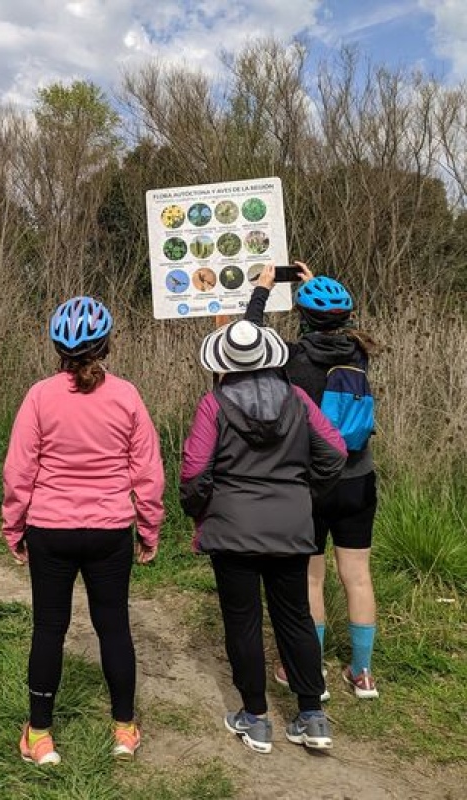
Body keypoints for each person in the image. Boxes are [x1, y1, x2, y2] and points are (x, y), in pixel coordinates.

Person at [2, 296, 164, 766]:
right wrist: (148, 530)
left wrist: (13, 527)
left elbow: (18, 472)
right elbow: (148, 473)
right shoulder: (127, 395)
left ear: (57, 347)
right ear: (107, 344)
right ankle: (123, 730)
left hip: (50, 529)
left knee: (49, 629)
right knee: (113, 625)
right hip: (110, 529)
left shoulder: (39, 396)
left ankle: (41, 736)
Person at [180, 318, 347, 754]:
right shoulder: (298, 400)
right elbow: (335, 452)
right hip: (291, 527)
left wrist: (201, 509)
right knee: (295, 618)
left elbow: (195, 472)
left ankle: (254, 718)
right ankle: (312, 715)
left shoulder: (213, 405)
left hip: (232, 529)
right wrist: (305, 494)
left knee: (243, 620)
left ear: (225, 364)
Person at [246, 263, 382, 700]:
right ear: (346, 318)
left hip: (311, 482)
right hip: (359, 479)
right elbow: (332, 322)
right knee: (357, 576)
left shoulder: (292, 359)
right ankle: (362, 674)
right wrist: (312, 282)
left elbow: (249, 339)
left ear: (302, 318)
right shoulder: (357, 353)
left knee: (311, 579)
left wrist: (263, 290)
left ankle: (306, 667)